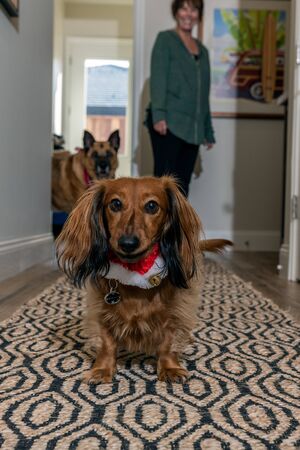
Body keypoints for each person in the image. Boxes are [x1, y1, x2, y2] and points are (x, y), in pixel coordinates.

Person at [145, 0, 215, 197]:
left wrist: (207, 130)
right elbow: (158, 79)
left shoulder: (203, 51)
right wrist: (158, 115)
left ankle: (177, 228)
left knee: (183, 186)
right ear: (176, 12)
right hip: (168, 123)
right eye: (184, 8)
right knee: (163, 186)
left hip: (192, 128)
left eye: (194, 9)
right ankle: (158, 228)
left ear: (198, 15)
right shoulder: (165, 40)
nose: (188, 14)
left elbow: (203, 94)